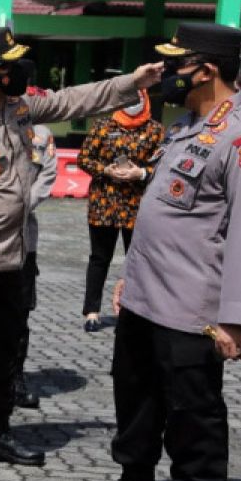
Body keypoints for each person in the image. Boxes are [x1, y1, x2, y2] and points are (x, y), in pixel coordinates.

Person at [0, 27, 161, 480]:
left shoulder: (18, 109)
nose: (16, 71)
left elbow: (76, 100)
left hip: (15, 258)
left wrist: (135, 81)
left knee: (5, 352)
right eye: (5, 64)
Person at [75, 23, 241, 481]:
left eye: (175, 65)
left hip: (194, 307)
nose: (166, 75)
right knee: (135, 396)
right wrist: (129, 279)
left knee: (194, 411)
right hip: (146, 297)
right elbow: (162, 214)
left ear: (206, 70)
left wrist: (234, 318)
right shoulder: (188, 126)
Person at [77, 90, 165, 332]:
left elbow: (162, 166)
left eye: (138, 99)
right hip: (104, 203)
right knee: (99, 258)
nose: (133, 104)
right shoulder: (103, 126)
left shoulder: (155, 130)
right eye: (128, 99)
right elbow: (84, 158)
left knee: (136, 261)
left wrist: (141, 173)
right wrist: (106, 170)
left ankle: (131, 313)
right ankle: (91, 311)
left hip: (137, 205)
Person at [11, 72, 58, 410]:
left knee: (19, 315)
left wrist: (20, 205)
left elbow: (48, 175)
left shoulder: (41, 133)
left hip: (23, 237)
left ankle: (15, 378)